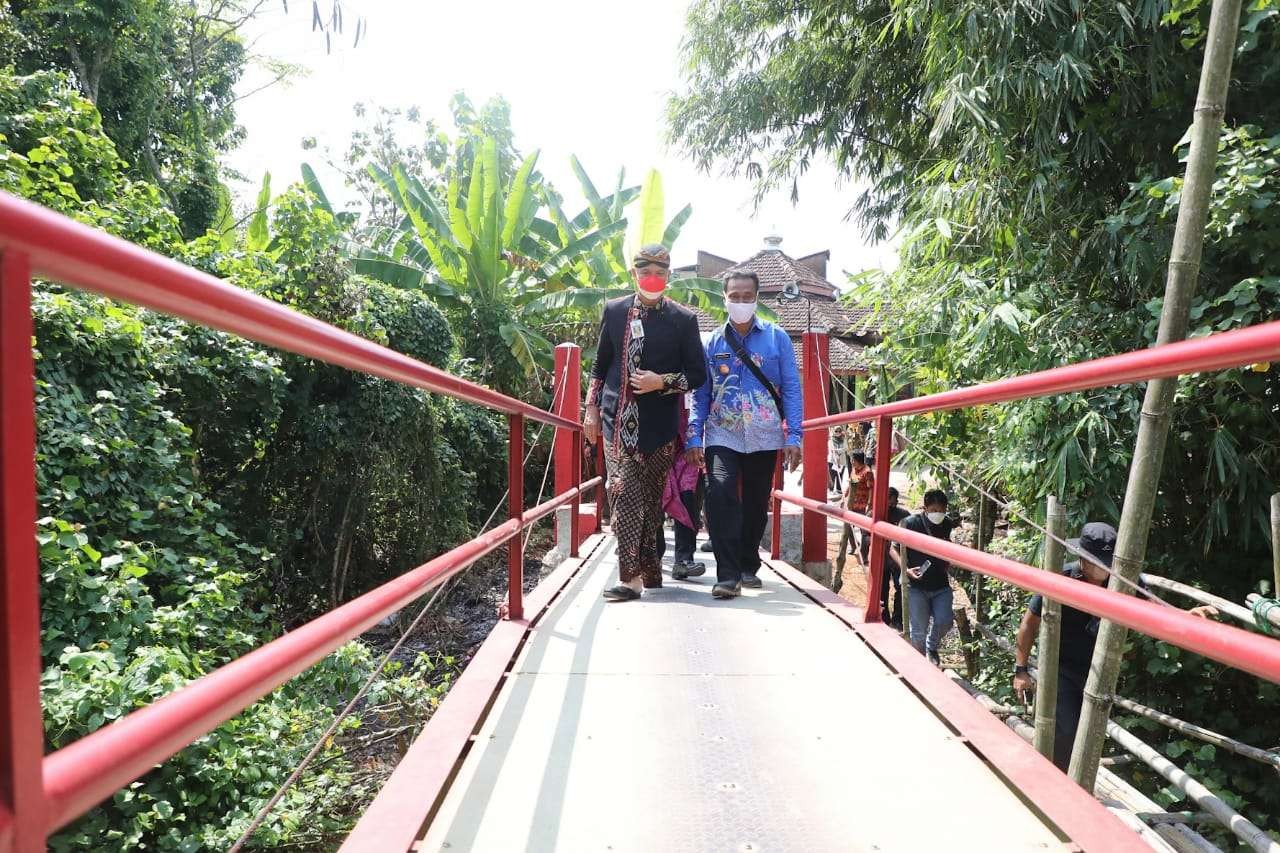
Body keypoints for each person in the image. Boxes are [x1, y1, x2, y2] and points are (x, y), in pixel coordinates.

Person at [1012, 522, 1218, 770]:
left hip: (1101, 669)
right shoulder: (1062, 578)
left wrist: (1186, 616)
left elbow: (1155, 612)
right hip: (1060, 668)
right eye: (1099, 561)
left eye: (1109, 561)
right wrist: (1020, 669)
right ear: (1083, 558)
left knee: (1089, 734)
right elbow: (1028, 625)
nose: (1105, 567)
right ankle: (1055, 783)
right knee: (1064, 731)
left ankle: (1075, 786)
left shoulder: (1125, 581)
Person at [585, 244, 707, 602]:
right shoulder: (615, 310)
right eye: (645, 271)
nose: (652, 277)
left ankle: (650, 569)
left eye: (660, 271)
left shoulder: (683, 320)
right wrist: (590, 408)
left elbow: (698, 375)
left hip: (659, 427)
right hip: (616, 420)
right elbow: (600, 364)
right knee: (623, 492)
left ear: (669, 276)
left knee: (651, 503)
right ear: (633, 274)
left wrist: (663, 381)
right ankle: (631, 579)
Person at [686, 271, 803, 599]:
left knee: (755, 502)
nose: (740, 301)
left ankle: (748, 561)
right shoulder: (711, 342)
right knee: (720, 493)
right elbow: (700, 393)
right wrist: (694, 436)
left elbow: (792, 387)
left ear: (756, 298)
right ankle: (727, 574)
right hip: (723, 431)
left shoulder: (777, 338)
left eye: (746, 296)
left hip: (765, 434)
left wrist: (794, 435)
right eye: (734, 296)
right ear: (724, 297)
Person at [896, 489, 958, 664]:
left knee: (945, 620)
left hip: (940, 583)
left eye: (941, 510)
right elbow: (893, 548)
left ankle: (932, 646)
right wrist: (905, 569)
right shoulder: (909, 523)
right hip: (916, 587)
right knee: (918, 632)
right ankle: (920, 665)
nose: (938, 514)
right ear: (925, 508)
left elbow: (946, 542)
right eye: (934, 510)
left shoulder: (946, 523)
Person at [659, 394, 707, 580]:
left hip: (691, 440)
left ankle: (684, 559)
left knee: (689, 494)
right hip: (659, 435)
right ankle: (653, 557)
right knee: (656, 496)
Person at [834, 450, 874, 585]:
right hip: (852, 503)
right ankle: (852, 546)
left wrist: (869, 504)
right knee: (848, 527)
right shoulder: (854, 470)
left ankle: (863, 553)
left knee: (864, 532)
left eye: (853, 460)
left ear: (858, 460)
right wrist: (843, 498)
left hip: (862, 504)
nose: (851, 462)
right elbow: (850, 485)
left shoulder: (867, 472)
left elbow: (871, 489)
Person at [878, 487, 911, 627]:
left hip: (898, 559)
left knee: (901, 587)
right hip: (881, 559)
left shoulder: (903, 515)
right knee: (882, 589)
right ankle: (883, 618)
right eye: (888, 503)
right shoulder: (874, 513)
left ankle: (898, 619)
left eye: (893, 503)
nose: (891, 506)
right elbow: (866, 537)